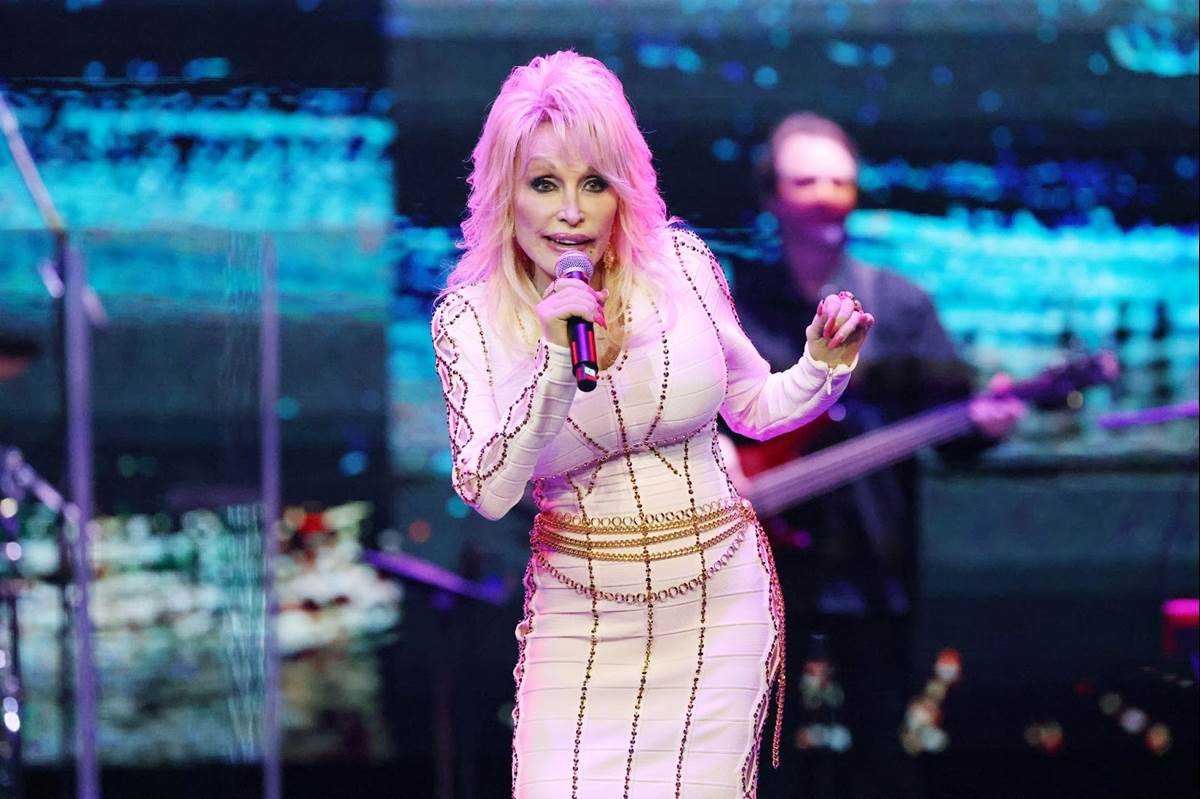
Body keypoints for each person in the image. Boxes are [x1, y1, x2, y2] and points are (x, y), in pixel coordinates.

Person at [430, 53, 877, 798]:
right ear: (505, 192)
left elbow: (753, 406)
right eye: (544, 184)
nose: (571, 212)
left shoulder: (682, 264)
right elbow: (487, 490)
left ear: (624, 188)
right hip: (581, 613)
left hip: (716, 601)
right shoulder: (469, 319)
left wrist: (822, 366)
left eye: (594, 183)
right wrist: (554, 365)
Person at [726, 113, 1026, 799]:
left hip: (870, 555)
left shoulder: (899, 303)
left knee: (880, 746)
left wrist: (990, 424)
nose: (827, 196)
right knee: (756, 749)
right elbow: (689, 406)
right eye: (806, 182)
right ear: (771, 196)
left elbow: (953, 424)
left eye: (840, 181)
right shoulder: (733, 303)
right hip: (755, 563)